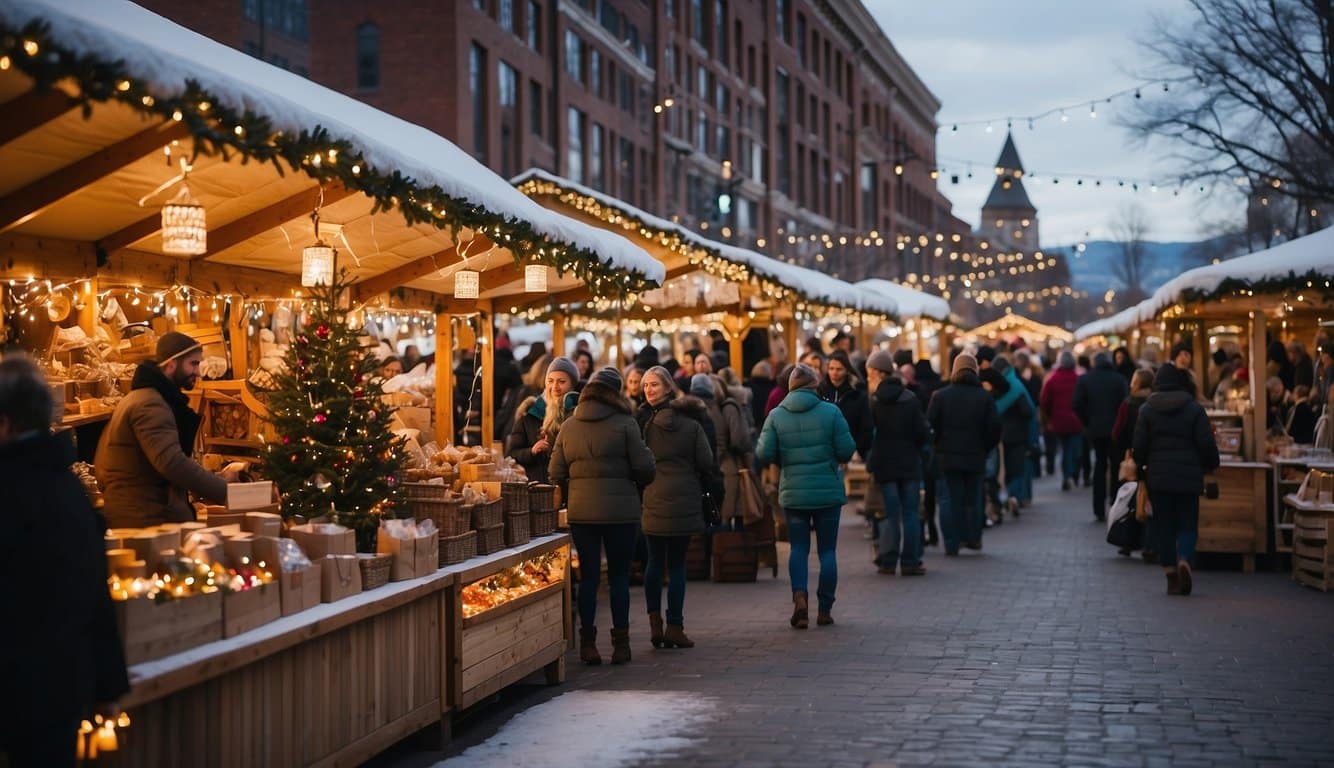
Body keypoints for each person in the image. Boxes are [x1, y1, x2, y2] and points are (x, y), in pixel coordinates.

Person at [0, 356, 130, 768]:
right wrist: (109, 686)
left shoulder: (11, 489)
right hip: (61, 687)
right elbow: (96, 590)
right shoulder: (70, 489)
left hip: (16, 685)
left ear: (5, 423)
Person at [549, 367, 656, 664]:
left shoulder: (570, 425)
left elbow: (555, 470)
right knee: (619, 578)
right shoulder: (626, 423)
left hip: (582, 513)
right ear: (615, 393)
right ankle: (621, 644)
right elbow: (645, 468)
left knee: (589, 578)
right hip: (621, 512)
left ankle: (588, 643)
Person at [96, 332, 236, 528]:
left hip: (143, 512)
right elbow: (171, 463)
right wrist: (226, 491)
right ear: (171, 365)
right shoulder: (150, 404)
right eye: (193, 364)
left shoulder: (144, 398)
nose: (198, 372)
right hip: (145, 519)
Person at [756, 363, 855, 628]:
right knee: (827, 551)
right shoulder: (832, 412)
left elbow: (763, 453)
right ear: (814, 385)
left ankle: (799, 596)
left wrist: (783, 458)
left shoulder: (777, 415)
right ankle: (825, 608)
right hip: (828, 492)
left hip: (794, 491)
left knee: (798, 548)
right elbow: (847, 450)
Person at [637, 366, 716, 650]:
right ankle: (674, 625)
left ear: (669, 387)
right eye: (646, 385)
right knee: (678, 565)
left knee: (655, 563)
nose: (648, 389)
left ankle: (655, 622)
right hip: (684, 498)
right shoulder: (692, 423)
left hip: (653, 497)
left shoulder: (643, 423)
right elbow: (706, 462)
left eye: (654, 384)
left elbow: (637, 462)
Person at [1133, 362, 1221, 596]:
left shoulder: (1147, 410)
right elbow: (1206, 443)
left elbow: (1139, 446)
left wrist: (1140, 467)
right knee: (1188, 523)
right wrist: (1212, 464)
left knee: (1164, 526)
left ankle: (1170, 572)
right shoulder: (1193, 408)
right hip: (1189, 477)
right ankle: (1184, 559)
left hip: (1158, 478)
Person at [927, 354, 1001, 556]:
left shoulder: (941, 396)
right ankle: (973, 538)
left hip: (946, 457)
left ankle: (952, 543)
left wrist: (938, 444)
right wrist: (984, 448)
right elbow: (994, 428)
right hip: (975, 456)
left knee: (948, 500)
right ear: (975, 371)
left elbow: (930, 426)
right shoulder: (984, 397)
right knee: (974, 499)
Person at [865, 351, 930, 576]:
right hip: (909, 463)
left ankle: (889, 561)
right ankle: (910, 561)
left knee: (890, 514)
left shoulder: (875, 402)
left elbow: (868, 435)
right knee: (911, 514)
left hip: (885, 464)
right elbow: (922, 432)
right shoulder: (910, 400)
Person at [1074, 352, 1130, 521]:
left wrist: (1087, 421)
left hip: (1095, 429)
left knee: (1099, 465)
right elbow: (1125, 404)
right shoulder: (1118, 379)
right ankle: (1114, 502)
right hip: (1115, 429)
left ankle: (1098, 508)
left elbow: (1076, 403)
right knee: (1115, 465)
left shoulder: (1085, 380)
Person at [506, 356, 579, 483]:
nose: (555, 386)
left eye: (561, 382)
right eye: (550, 381)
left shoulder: (577, 414)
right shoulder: (530, 414)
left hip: (568, 487)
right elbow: (512, 453)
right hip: (536, 488)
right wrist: (531, 451)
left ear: (572, 385)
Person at [1111, 369, 1156, 559]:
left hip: (1132, 457)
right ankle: (1150, 545)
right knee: (1150, 502)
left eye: (1133, 381)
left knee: (1131, 499)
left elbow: (1117, 432)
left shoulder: (1128, 404)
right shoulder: (1154, 403)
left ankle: (1128, 542)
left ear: (1137, 383)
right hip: (1153, 458)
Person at [992, 357, 1036, 515]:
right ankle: (1014, 496)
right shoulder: (1017, 386)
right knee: (1017, 467)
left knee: (1003, 470)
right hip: (1018, 434)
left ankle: (1006, 497)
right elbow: (1028, 411)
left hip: (1000, 436)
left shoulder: (994, 387)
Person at [710, 374, 754, 524]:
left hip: (732, 464)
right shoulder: (724, 407)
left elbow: (737, 439)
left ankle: (734, 545)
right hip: (730, 463)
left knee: (731, 511)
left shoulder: (727, 407)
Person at [1040, 351, 1083, 491]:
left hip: (1058, 420)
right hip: (1076, 420)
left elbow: (1044, 401)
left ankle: (1066, 475)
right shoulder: (1079, 379)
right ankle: (1073, 474)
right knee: (1074, 449)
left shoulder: (1052, 379)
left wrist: (1047, 419)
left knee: (1065, 449)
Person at [817, 350, 872, 459]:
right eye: (831, 369)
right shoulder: (820, 391)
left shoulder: (857, 394)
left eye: (839, 369)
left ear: (847, 371)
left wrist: (858, 449)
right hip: (825, 451)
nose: (834, 373)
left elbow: (865, 427)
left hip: (852, 451)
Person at [747, 360, 777, 430]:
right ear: (769, 372)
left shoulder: (748, 386)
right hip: (768, 423)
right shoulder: (773, 388)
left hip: (753, 423)